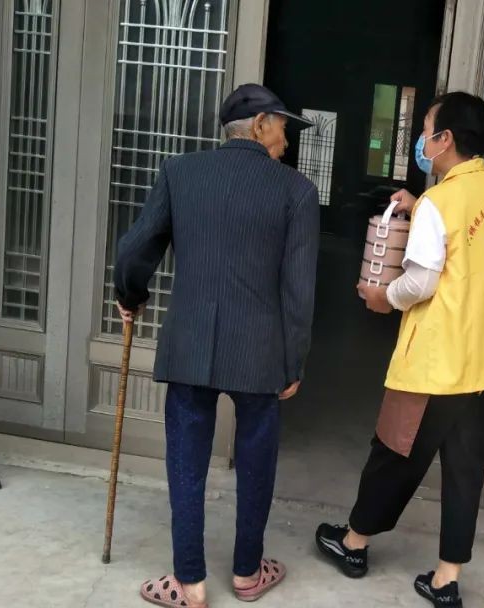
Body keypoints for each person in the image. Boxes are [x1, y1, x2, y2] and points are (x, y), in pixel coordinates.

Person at [114, 83, 320, 608]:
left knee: (186, 463)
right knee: (256, 463)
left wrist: (130, 296)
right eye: (283, 127)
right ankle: (248, 573)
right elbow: (299, 289)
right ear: (260, 125)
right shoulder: (295, 191)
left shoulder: (179, 173)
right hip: (260, 353)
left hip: (190, 345)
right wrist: (293, 361)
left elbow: (135, 249)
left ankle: (190, 584)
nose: (287, 141)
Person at [315, 92, 484, 608]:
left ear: (445, 139)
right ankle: (447, 578)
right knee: (466, 471)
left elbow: (422, 281)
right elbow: (466, 247)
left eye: (426, 129)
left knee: (394, 453)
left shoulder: (438, 204)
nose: (421, 140)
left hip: (436, 361)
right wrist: (419, 204)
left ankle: (354, 543)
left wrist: (383, 297)